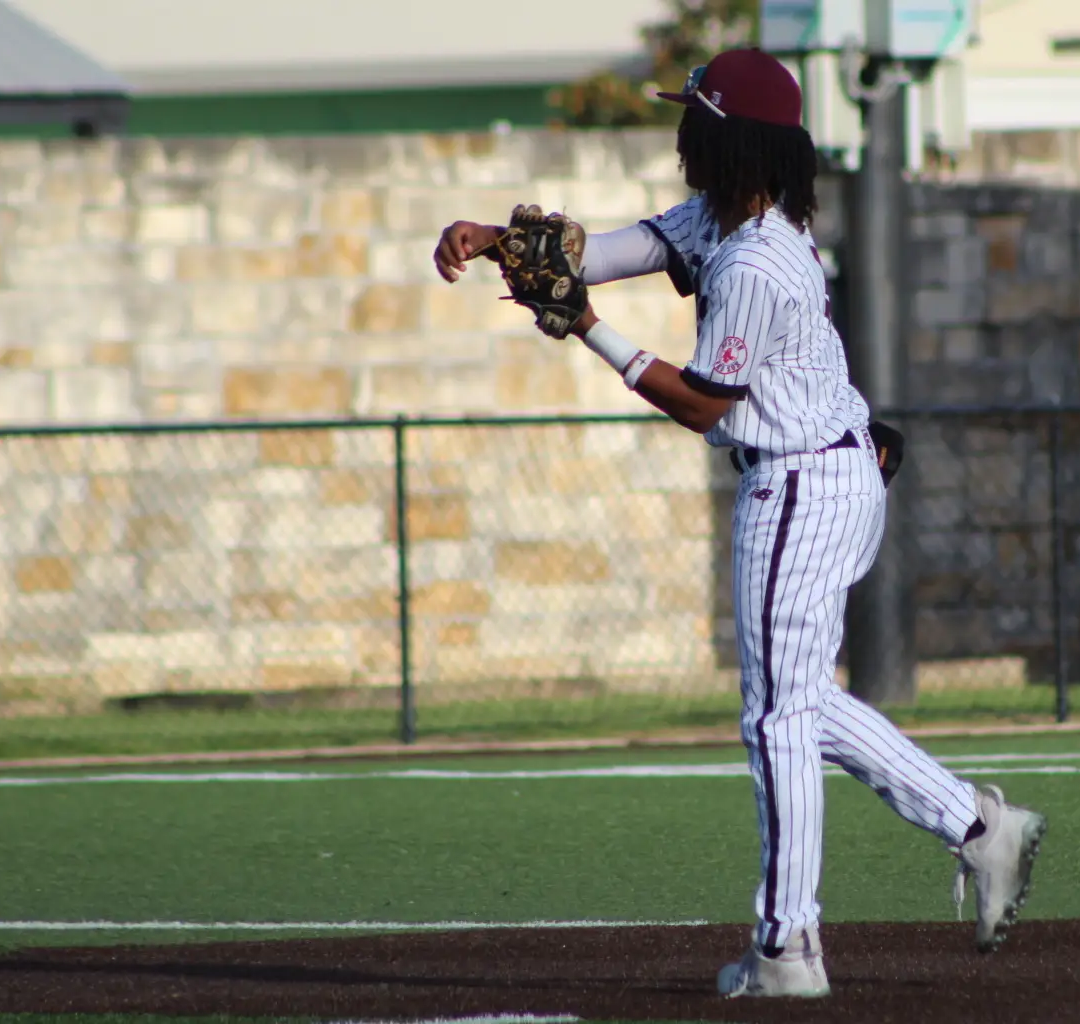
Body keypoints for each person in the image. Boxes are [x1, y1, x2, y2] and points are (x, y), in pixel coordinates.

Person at [432, 48, 1046, 1000]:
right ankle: (979, 827)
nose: (684, 134)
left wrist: (588, 327)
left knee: (775, 718)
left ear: (734, 141)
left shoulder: (758, 257)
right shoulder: (731, 216)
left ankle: (787, 948)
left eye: (697, 120)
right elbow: (605, 251)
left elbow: (701, 404)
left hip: (799, 487)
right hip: (826, 473)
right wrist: (492, 239)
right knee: (795, 705)